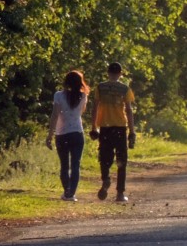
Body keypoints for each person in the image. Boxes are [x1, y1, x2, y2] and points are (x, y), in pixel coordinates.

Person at [90, 62, 136, 202]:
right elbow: (128, 110)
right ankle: (120, 193)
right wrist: (132, 131)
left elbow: (95, 108)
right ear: (120, 74)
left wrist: (94, 127)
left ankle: (106, 179)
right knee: (121, 161)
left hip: (105, 128)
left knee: (104, 158)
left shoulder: (100, 88)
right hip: (120, 128)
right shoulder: (125, 89)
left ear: (108, 73)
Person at [46, 70, 89, 202]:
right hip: (77, 133)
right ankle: (71, 194)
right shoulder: (83, 96)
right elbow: (81, 112)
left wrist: (50, 134)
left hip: (62, 133)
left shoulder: (58, 95)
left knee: (64, 165)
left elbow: (55, 115)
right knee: (75, 164)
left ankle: (67, 192)